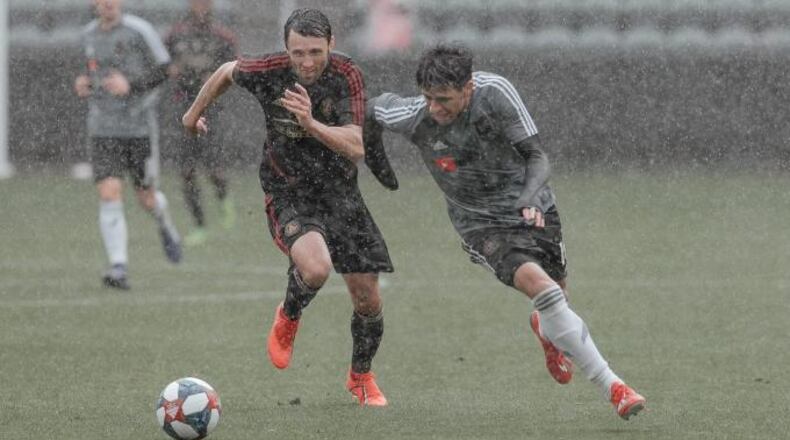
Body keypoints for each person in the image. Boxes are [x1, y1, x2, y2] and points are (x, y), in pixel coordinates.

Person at [365, 44, 647, 419]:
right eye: (428, 97)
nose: (434, 107)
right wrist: (379, 165)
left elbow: (537, 156)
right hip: (480, 224)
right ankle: (614, 386)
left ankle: (546, 330)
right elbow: (370, 111)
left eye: (444, 99)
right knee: (544, 290)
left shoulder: (495, 93)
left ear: (468, 88)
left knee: (557, 296)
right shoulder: (414, 114)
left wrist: (528, 199)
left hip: (534, 207)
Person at [182, 8, 393, 406]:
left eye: (315, 51)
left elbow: (356, 146)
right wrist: (193, 115)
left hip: (341, 194)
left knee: (368, 298)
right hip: (289, 191)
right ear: (286, 48)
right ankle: (289, 316)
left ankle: (360, 377)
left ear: (331, 44)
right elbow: (226, 71)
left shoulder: (347, 75)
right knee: (315, 268)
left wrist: (311, 123)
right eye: (298, 52)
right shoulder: (270, 69)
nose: (307, 62)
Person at [74, 0, 182, 290]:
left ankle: (165, 224)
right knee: (110, 192)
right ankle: (119, 266)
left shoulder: (139, 30)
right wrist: (83, 82)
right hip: (102, 129)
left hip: (138, 129)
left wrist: (131, 85)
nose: (108, 3)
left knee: (146, 198)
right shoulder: (87, 35)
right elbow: (89, 71)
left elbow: (165, 70)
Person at [165, 0, 238, 246]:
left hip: (211, 107)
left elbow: (235, 68)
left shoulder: (223, 36)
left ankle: (224, 199)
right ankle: (199, 225)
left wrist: (216, 77)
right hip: (183, 107)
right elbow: (163, 63)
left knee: (214, 168)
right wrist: (171, 69)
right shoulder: (175, 34)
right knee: (186, 171)